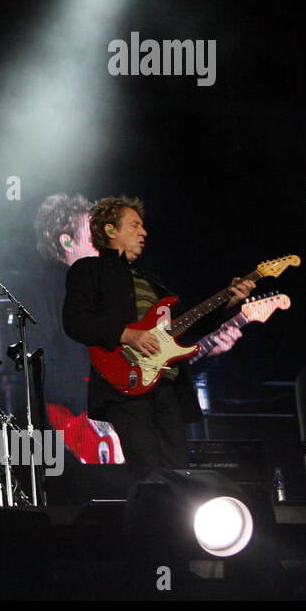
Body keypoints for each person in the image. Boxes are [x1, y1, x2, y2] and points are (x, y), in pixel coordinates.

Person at [62, 196, 254, 481]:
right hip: (124, 381)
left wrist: (228, 301)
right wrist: (127, 334)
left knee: (179, 472)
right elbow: (75, 322)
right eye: (135, 225)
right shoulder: (88, 270)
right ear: (110, 230)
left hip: (167, 384)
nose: (144, 232)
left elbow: (187, 325)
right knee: (148, 471)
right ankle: (151, 524)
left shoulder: (153, 280)